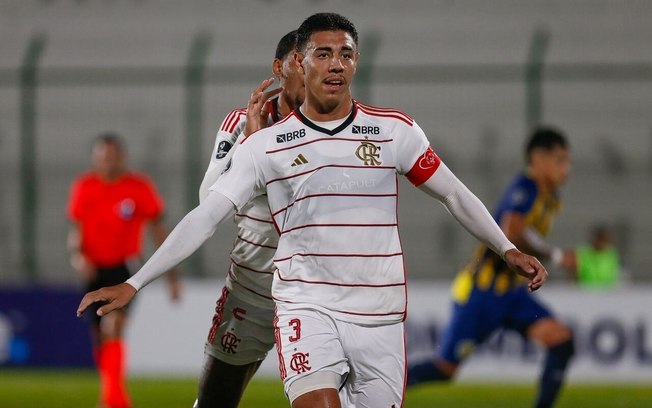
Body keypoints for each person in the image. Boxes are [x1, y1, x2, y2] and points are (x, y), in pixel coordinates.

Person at [77, 13, 547, 408]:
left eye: (344, 54)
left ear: (357, 61)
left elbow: (454, 193)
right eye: (320, 56)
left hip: (377, 313)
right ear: (290, 66)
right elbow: (208, 209)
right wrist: (137, 281)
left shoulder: (393, 132)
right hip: (278, 294)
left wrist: (504, 247)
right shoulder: (253, 133)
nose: (331, 66)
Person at [407, 126, 575, 408]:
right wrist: (557, 256)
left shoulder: (551, 197)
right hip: (483, 293)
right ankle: (377, 389)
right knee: (444, 370)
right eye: (560, 160)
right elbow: (513, 230)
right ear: (538, 158)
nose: (566, 169)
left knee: (561, 343)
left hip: (513, 294)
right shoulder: (526, 188)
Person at [193, 30, 304, 408]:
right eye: (300, 63)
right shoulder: (241, 121)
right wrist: (249, 147)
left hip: (315, 291)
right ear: (279, 68)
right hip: (252, 289)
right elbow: (208, 198)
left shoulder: (336, 124)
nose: (312, 72)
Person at [67, 133, 181, 408]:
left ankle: (116, 402)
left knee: (113, 324)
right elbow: (75, 232)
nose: (109, 160)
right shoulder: (84, 186)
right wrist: (78, 257)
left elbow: (159, 230)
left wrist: (171, 274)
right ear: (95, 159)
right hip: (94, 272)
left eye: (113, 155)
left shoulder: (139, 187)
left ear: (122, 157)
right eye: (104, 156)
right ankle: (110, 396)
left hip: (124, 269)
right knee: (99, 337)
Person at [574, 223, 621, 290]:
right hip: (586, 293)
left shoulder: (612, 255)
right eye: (600, 239)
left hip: (607, 293)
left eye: (604, 239)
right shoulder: (583, 253)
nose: (601, 242)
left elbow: (615, 276)